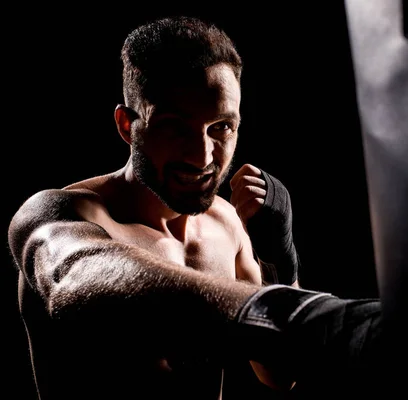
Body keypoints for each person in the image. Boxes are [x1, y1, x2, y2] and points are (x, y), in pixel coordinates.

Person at [8, 16, 301, 400]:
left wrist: (280, 262)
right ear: (128, 126)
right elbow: (76, 275)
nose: (201, 156)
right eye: (174, 127)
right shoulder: (64, 215)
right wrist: (322, 318)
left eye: (221, 127)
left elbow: (280, 373)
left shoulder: (227, 226)